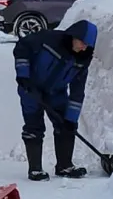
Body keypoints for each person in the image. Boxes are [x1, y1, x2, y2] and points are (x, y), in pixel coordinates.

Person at [13, 18, 98, 181]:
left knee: (65, 124)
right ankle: (35, 169)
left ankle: (64, 166)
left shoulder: (82, 60)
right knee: (34, 125)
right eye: (82, 42)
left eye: (87, 45)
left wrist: (71, 120)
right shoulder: (49, 39)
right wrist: (23, 75)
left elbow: (77, 92)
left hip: (56, 92)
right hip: (31, 86)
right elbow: (22, 47)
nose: (83, 48)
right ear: (74, 35)